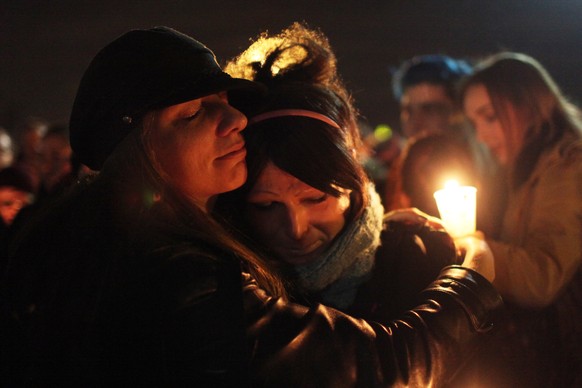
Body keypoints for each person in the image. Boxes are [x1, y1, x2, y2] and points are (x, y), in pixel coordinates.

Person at [0, 26, 501, 386]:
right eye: (195, 113)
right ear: (135, 146)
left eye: (225, 101)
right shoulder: (174, 271)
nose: (233, 120)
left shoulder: (80, 235)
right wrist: (474, 273)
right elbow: (377, 369)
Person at [216, 23, 464, 321]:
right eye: (267, 205)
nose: (296, 229)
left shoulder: (415, 260)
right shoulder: (228, 289)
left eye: (316, 198)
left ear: (353, 183)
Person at [457, 52, 582, 387]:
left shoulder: (568, 165)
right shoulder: (524, 169)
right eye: (474, 123)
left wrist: (472, 247)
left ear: (529, 104)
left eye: (490, 117)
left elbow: (543, 277)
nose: (481, 135)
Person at [385, 55, 502, 236]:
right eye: (408, 111)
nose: (415, 122)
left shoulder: (494, 172)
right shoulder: (399, 169)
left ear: (459, 112)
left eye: (430, 109)